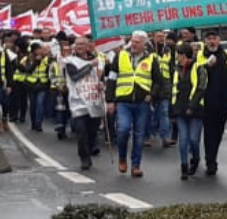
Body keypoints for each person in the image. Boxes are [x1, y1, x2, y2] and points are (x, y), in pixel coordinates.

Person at [107, 31, 154, 177]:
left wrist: (151, 95)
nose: (134, 44)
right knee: (123, 130)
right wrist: (110, 100)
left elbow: (159, 81)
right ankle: (122, 157)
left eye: (137, 42)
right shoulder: (120, 56)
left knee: (139, 135)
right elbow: (112, 79)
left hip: (142, 103)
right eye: (133, 41)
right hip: (123, 101)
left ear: (144, 44)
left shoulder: (151, 59)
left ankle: (135, 165)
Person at [63, 36, 107, 170]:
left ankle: (91, 147)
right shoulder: (70, 61)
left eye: (83, 44)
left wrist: (101, 84)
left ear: (88, 45)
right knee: (81, 132)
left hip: (93, 101)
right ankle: (84, 158)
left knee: (92, 131)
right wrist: (90, 65)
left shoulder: (97, 59)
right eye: (78, 44)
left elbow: (100, 78)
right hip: (78, 103)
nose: (80, 46)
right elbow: (75, 76)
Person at [196, 30, 227, 176]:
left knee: (219, 132)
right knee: (209, 132)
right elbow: (195, 71)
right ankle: (210, 161)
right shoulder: (200, 55)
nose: (212, 41)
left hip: (223, 100)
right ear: (205, 41)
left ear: (219, 40)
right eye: (209, 39)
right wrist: (207, 65)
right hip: (206, 99)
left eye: (215, 38)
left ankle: (213, 156)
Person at [172, 43, 208, 179]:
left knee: (193, 139)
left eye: (179, 55)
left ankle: (196, 159)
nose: (177, 57)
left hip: (196, 110)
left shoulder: (199, 68)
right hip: (180, 110)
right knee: (183, 140)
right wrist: (173, 109)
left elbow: (201, 88)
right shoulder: (176, 69)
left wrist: (191, 106)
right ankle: (184, 167)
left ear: (185, 55)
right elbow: (173, 89)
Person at [148, 29, 175, 148]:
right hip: (152, 84)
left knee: (164, 111)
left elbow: (170, 67)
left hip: (165, 85)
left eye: (162, 36)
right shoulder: (148, 50)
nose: (160, 38)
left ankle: (165, 137)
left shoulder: (167, 50)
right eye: (158, 36)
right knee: (152, 113)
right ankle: (151, 133)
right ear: (153, 37)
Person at [23, 42, 53, 132]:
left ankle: (39, 124)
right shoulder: (28, 59)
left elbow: (52, 68)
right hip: (31, 85)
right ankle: (33, 123)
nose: (39, 51)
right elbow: (28, 70)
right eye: (37, 49)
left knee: (40, 104)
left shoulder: (47, 59)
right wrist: (36, 61)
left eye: (41, 49)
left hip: (42, 85)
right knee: (33, 105)